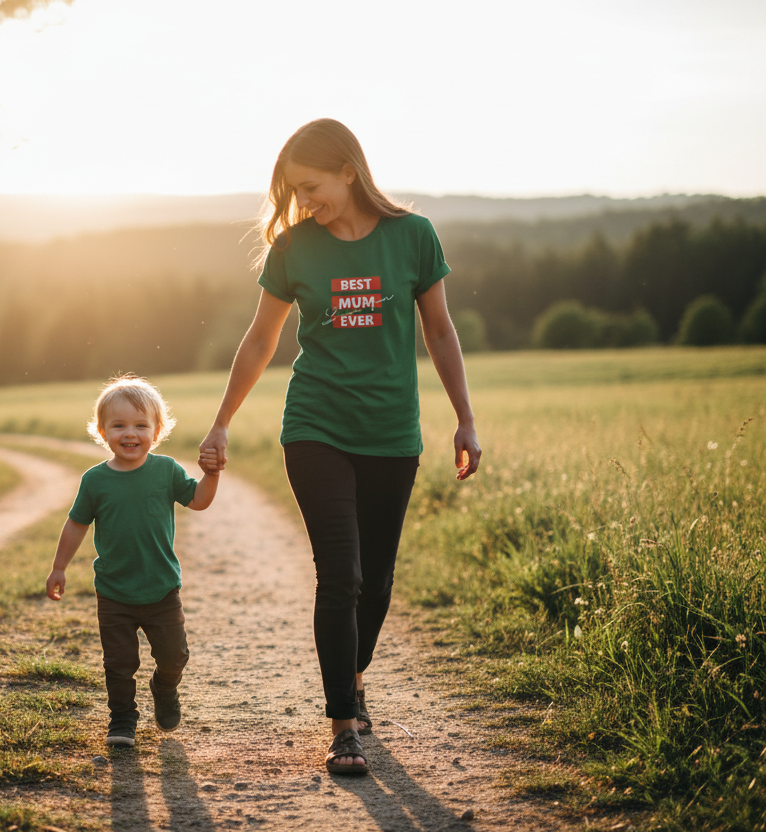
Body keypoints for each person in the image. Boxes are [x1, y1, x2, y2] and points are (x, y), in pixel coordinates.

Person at [197, 118, 481, 776]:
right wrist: (220, 422)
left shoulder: (413, 236)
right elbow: (260, 340)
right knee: (342, 575)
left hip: (391, 433)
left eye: (311, 186)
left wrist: (464, 417)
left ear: (348, 172)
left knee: (377, 584)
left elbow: (439, 332)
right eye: (293, 191)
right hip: (315, 426)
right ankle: (343, 727)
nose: (303, 202)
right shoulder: (294, 248)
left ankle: (353, 678)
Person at [47, 374, 219, 748]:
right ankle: (122, 719)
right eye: (119, 425)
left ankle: (164, 686)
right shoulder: (95, 481)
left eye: (141, 425)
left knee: (175, 656)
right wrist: (59, 567)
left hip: (161, 588)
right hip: (114, 592)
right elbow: (76, 524)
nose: (130, 433)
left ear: (156, 432)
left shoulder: (166, 471)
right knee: (119, 664)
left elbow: (200, 500)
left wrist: (212, 474)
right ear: (102, 431)